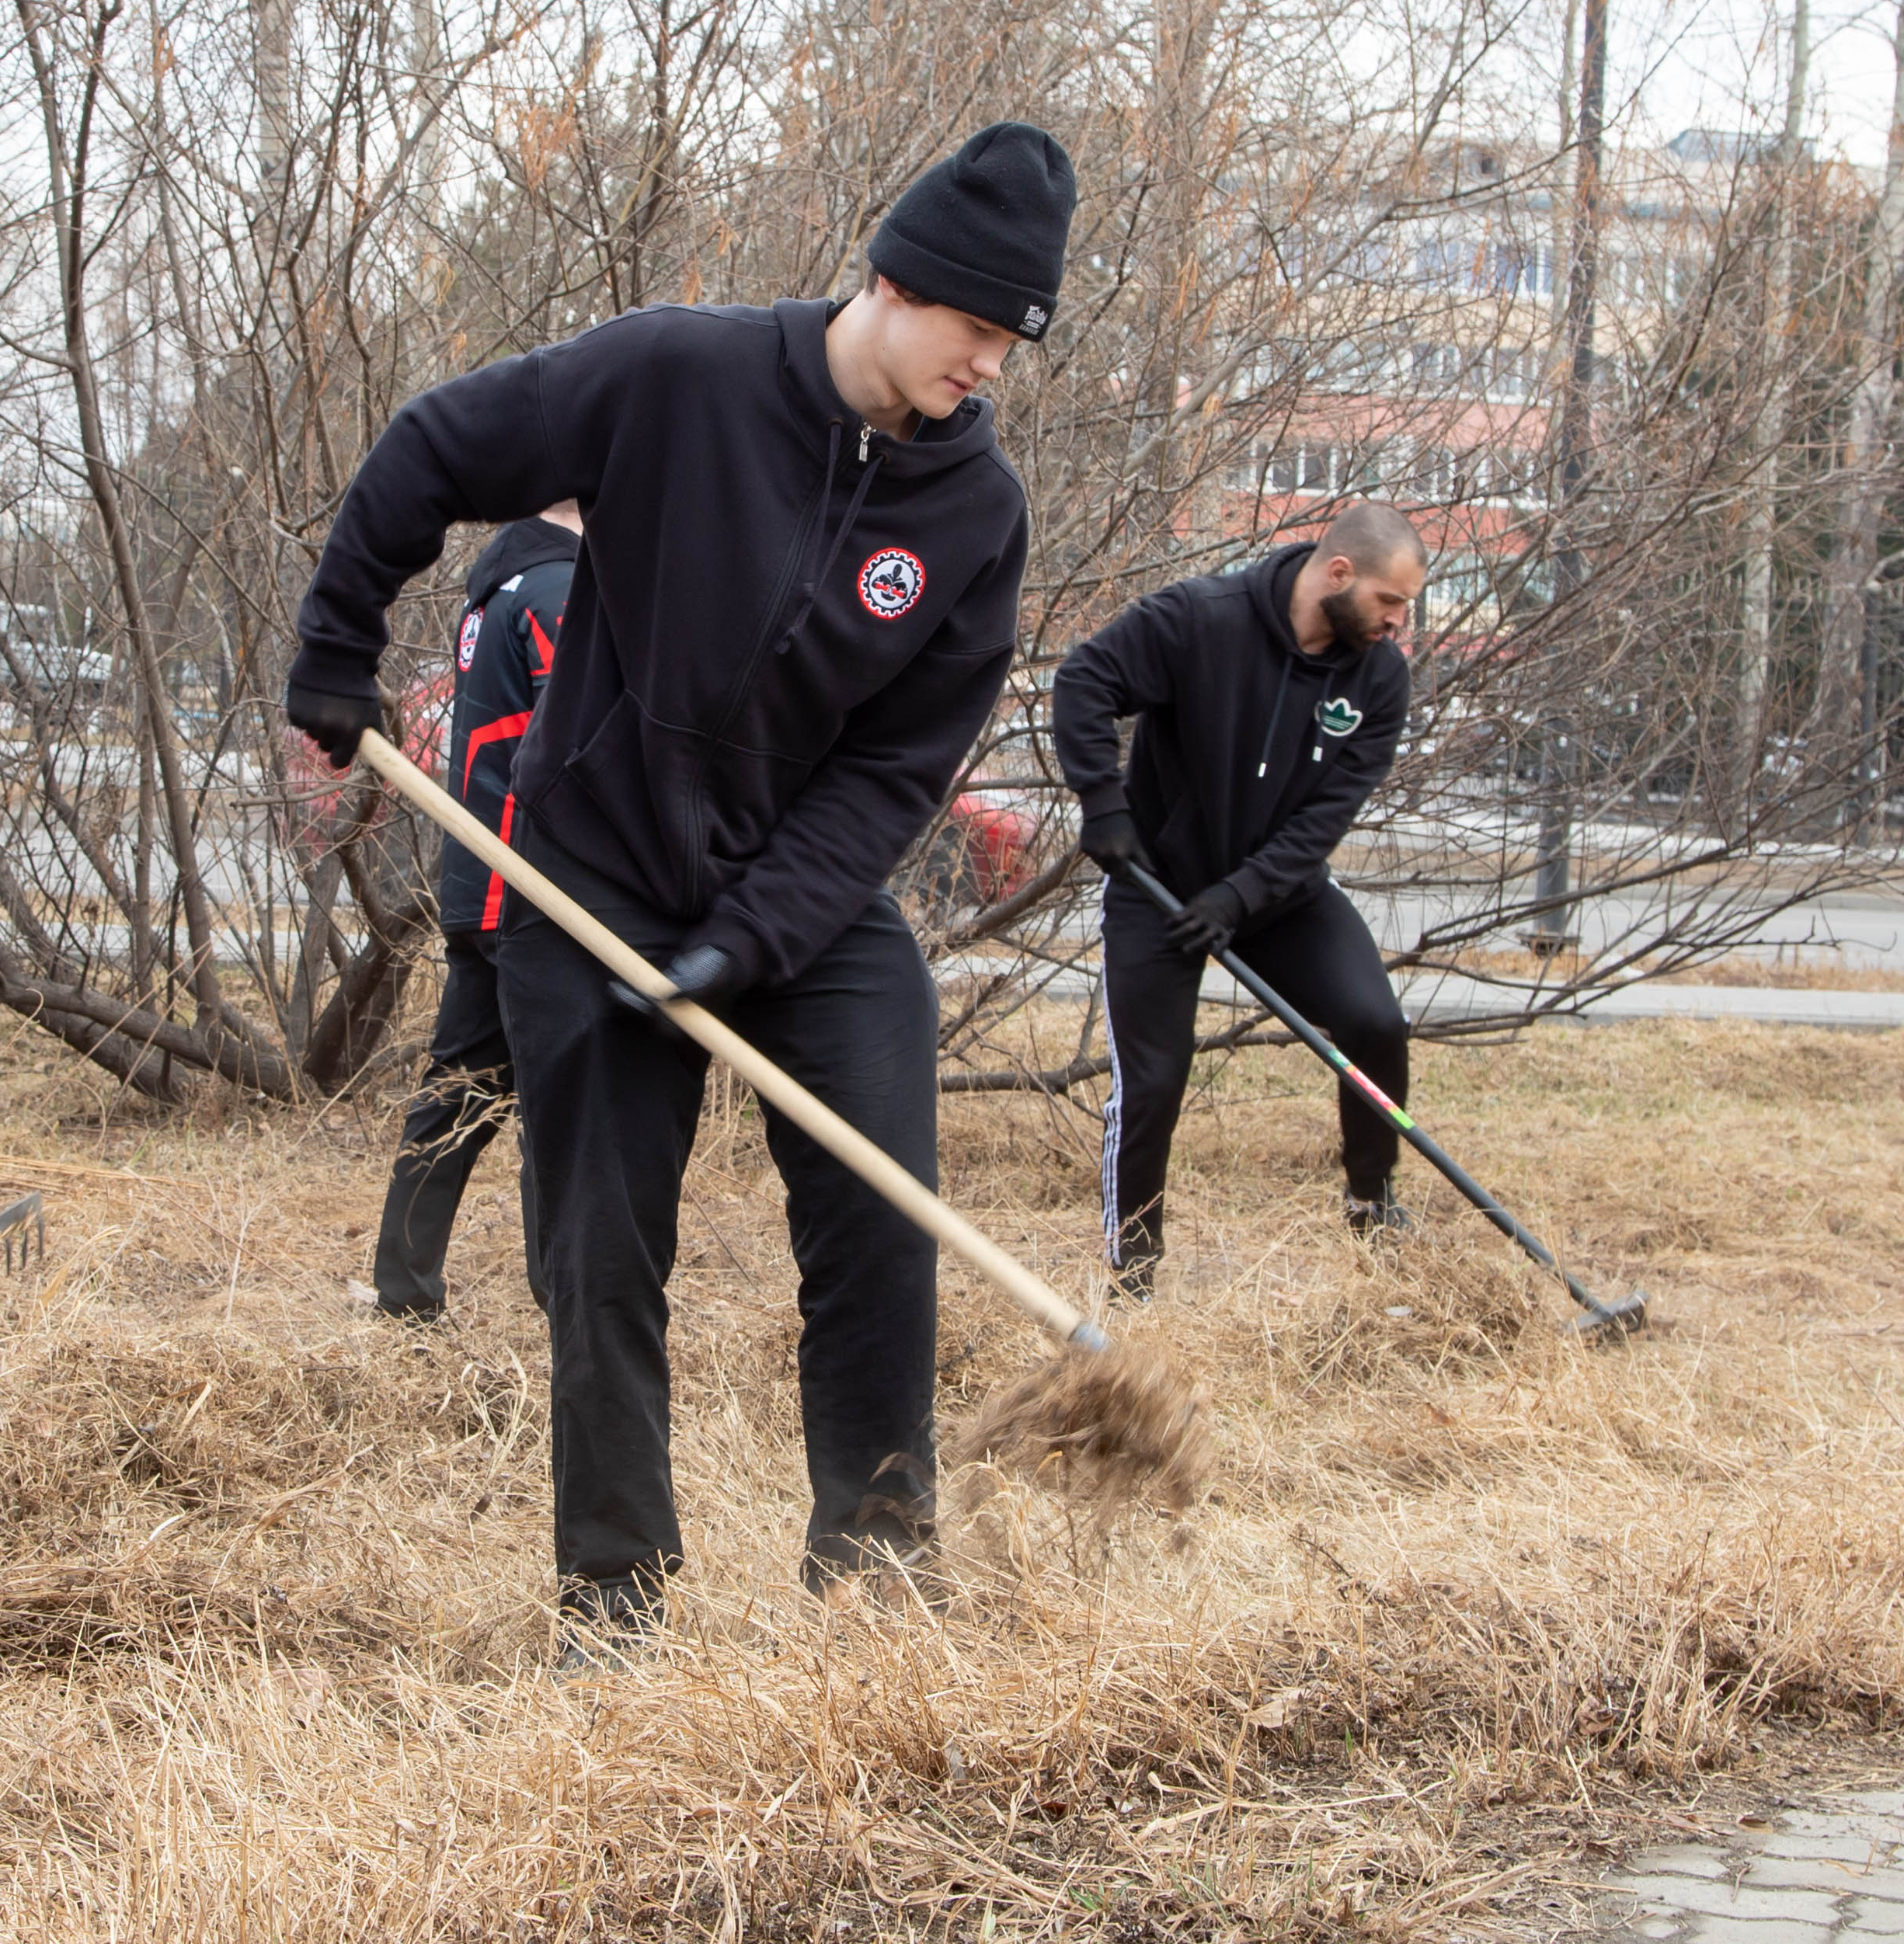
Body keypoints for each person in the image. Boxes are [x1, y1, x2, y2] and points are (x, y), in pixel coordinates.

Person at [285, 123, 1071, 1645]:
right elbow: (434, 448)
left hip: (812, 905)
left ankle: (878, 1567)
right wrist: (334, 646)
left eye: (1008, 345)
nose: (988, 368)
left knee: (879, 1212)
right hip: (599, 877)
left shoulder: (976, 515)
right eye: (977, 332)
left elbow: (894, 774)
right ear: (901, 284)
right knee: (599, 1243)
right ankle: (614, 1595)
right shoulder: (676, 378)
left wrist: (755, 935)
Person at [1049, 501, 1427, 1293]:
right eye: (1390, 602)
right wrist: (1105, 805)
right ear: (1339, 573)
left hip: (1280, 893)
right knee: (1153, 1079)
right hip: (1157, 887)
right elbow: (1085, 679)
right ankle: (1134, 1265)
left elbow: (1324, 818)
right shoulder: (1202, 618)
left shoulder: (1379, 679)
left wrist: (1242, 893)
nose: (1398, 623)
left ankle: (1371, 1197)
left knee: (1373, 1021)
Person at [367, 496, 582, 1319]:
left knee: (457, 1094)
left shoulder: (502, 584)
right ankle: (568, 1304)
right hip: (530, 890)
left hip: (487, 884)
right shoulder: (557, 592)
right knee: (557, 1105)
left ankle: (403, 1291)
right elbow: (577, 751)